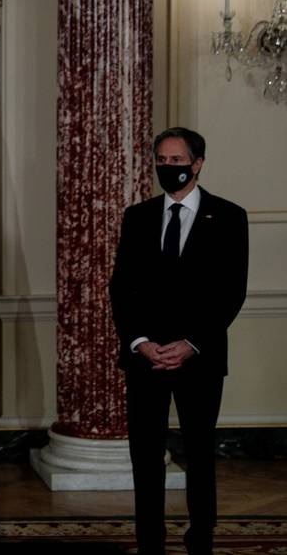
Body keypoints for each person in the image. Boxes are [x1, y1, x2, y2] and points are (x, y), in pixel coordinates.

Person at [109, 128, 248, 555]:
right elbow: (122, 288)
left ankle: (200, 538)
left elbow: (231, 292)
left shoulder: (229, 217)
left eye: (177, 160)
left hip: (199, 359)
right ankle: (150, 540)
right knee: (145, 458)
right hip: (146, 357)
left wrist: (191, 343)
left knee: (200, 455)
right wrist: (140, 342)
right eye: (162, 160)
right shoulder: (137, 217)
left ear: (198, 163)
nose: (168, 168)